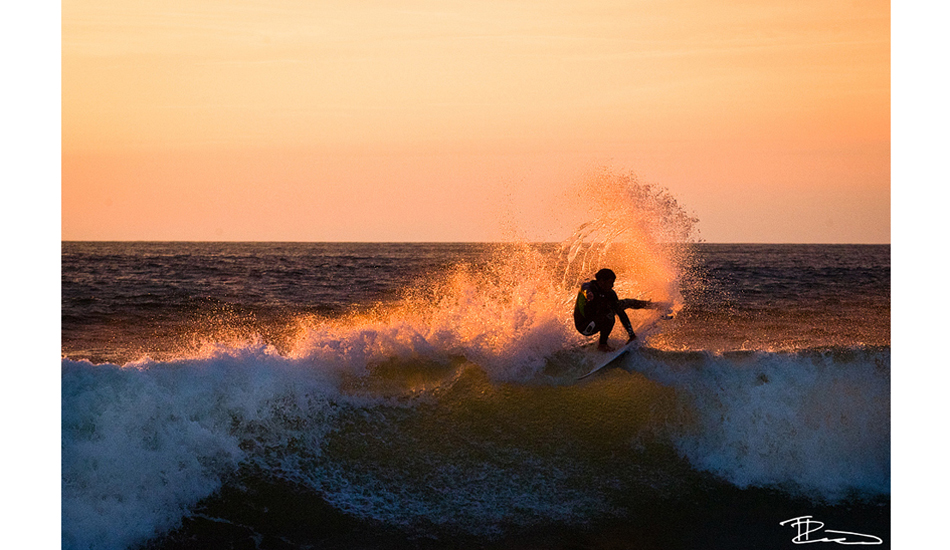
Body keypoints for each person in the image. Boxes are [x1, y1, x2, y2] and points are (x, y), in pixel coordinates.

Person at [573, 268, 662, 351]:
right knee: (609, 316)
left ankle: (653, 305)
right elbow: (585, 288)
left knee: (625, 303)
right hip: (584, 325)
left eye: (613, 282)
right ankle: (602, 345)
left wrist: (632, 335)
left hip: (596, 320)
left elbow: (621, 312)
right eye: (610, 282)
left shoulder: (610, 294)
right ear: (601, 281)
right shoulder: (589, 287)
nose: (612, 285)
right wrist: (588, 294)